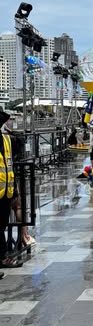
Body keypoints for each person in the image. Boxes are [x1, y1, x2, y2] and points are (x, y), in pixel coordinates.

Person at [0, 111, 15, 276]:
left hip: (5, 192)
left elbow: (9, 164)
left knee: (2, 225)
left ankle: (3, 257)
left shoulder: (5, 139)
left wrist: (14, 190)